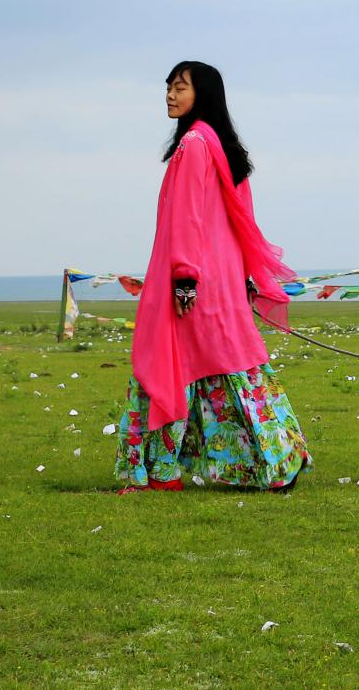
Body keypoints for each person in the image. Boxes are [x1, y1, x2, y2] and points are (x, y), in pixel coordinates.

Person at [115, 61, 310, 492]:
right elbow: (237, 220)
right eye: (167, 86)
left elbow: (188, 218)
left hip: (193, 282)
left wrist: (184, 277)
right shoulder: (219, 144)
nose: (169, 94)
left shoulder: (194, 145)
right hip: (220, 279)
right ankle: (278, 463)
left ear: (201, 93)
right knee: (231, 367)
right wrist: (237, 276)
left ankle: (162, 473)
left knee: (170, 365)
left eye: (179, 87)